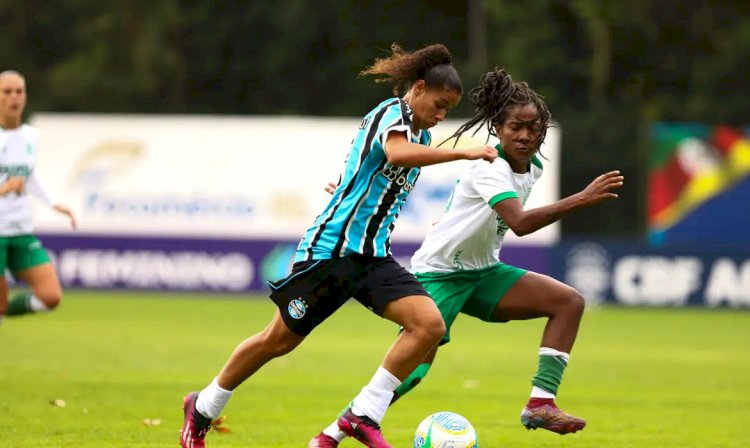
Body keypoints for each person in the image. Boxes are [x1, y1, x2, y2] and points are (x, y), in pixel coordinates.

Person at [179, 43, 497, 448]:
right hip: (330, 252)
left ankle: (363, 414)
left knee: (429, 325)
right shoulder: (391, 113)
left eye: (447, 109)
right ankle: (203, 405)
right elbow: (396, 153)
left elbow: (378, 172)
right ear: (418, 88)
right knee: (278, 340)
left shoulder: (421, 133)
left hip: (371, 257)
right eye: (438, 104)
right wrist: (462, 151)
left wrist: (347, 185)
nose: (440, 115)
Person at [313, 67, 625, 445]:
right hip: (439, 274)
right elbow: (521, 223)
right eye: (515, 127)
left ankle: (541, 402)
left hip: (482, 272)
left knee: (568, 302)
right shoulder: (489, 169)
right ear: (497, 128)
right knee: (410, 374)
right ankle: (331, 434)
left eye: (534, 128)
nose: (525, 136)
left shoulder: (534, 167)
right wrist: (583, 198)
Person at [0, 70, 77, 325]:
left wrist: (53, 203)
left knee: (50, 296)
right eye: (7, 91)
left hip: (21, 230)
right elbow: (12, 182)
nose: (14, 97)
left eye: (19, 91)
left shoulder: (31, 136)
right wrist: (5, 188)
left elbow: (29, 176)